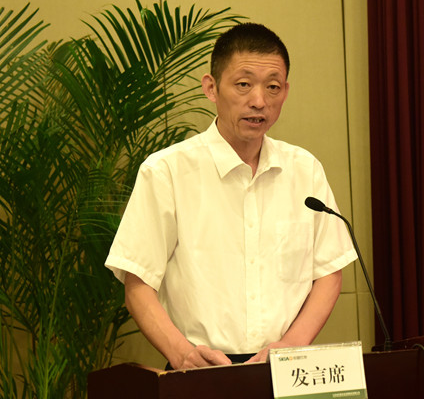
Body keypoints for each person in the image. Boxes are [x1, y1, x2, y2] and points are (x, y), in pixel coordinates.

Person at [105, 23, 357, 370]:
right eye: (243, 84)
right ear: (211, 88)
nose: (259, 101)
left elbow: (328, 271)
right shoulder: (166, 171)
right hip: (200, 368)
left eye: (272, 87)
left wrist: (290, 346)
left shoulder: (305, 169)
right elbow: (137, 281)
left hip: (284, 366)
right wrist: (182, 354)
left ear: (285, 91)